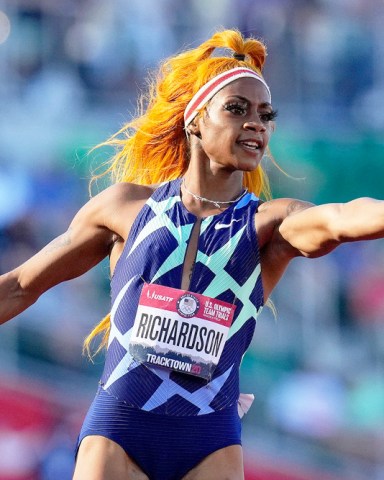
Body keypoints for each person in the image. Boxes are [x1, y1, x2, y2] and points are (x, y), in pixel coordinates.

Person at [1, 28, 384, 480]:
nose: (255, 124)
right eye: (237, 109)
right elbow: (22, 286)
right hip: (121, 428)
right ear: (195, 120)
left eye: (266, 114)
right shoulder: (125, 207)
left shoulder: (270, 225)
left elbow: (342, 218)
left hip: (209, 439)